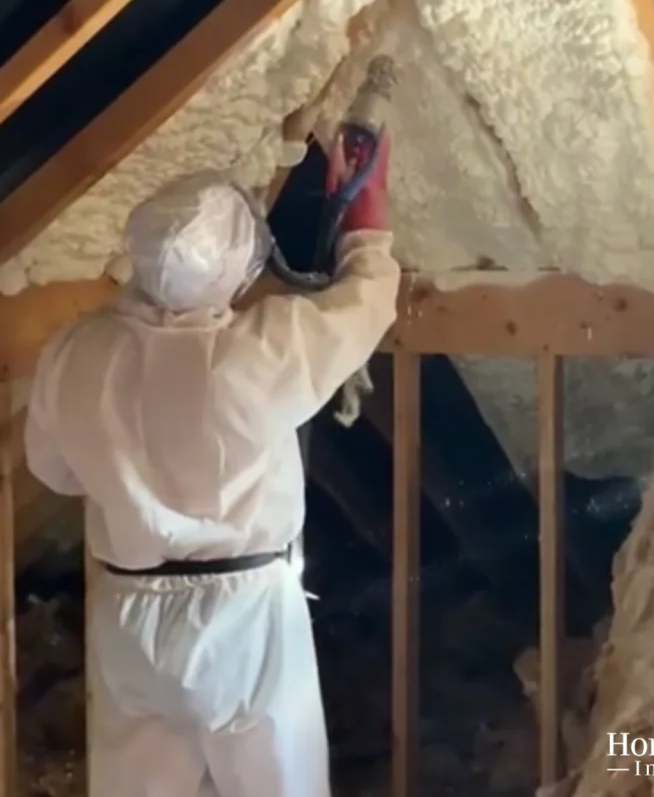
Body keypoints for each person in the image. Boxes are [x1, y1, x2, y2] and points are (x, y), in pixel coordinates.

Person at [23, 132, 400, 797]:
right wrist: (365, 222)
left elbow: (56, 472)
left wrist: (133, 473)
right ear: (231, 268)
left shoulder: (74, 351)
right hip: (244, 617)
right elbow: (364, 306)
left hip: (128, 616)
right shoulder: (256, 351)